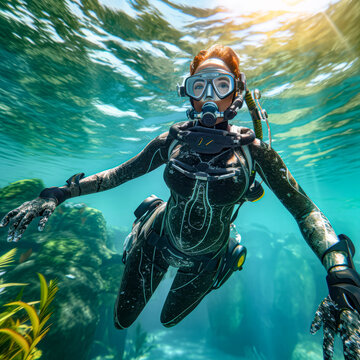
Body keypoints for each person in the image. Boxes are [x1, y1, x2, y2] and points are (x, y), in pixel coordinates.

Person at [1, 44, 359, 359]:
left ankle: (228, 253)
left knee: (169, 320)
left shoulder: (255, 153)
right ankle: (145, 218)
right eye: (198, 85)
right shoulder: (171, 142)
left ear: (236, 93)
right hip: (154, 242)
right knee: (121, 320)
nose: (208, 95)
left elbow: (304, 209)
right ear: (186, 93)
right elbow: (116, 175)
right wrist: (59, 193)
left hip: (206, 261)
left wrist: (339, 268)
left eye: (221, 85)